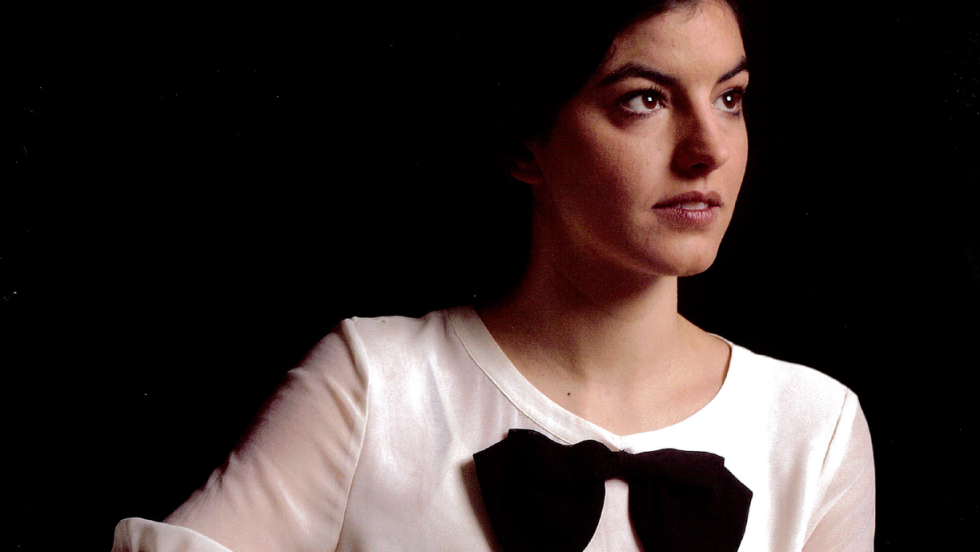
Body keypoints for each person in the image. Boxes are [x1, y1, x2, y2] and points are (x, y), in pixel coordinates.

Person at [112, 0, 875, 550]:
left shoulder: (815, 429)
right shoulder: (375, 386)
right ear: (524, 146)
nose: (708, 149)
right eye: (644, 100)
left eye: (730, 98)